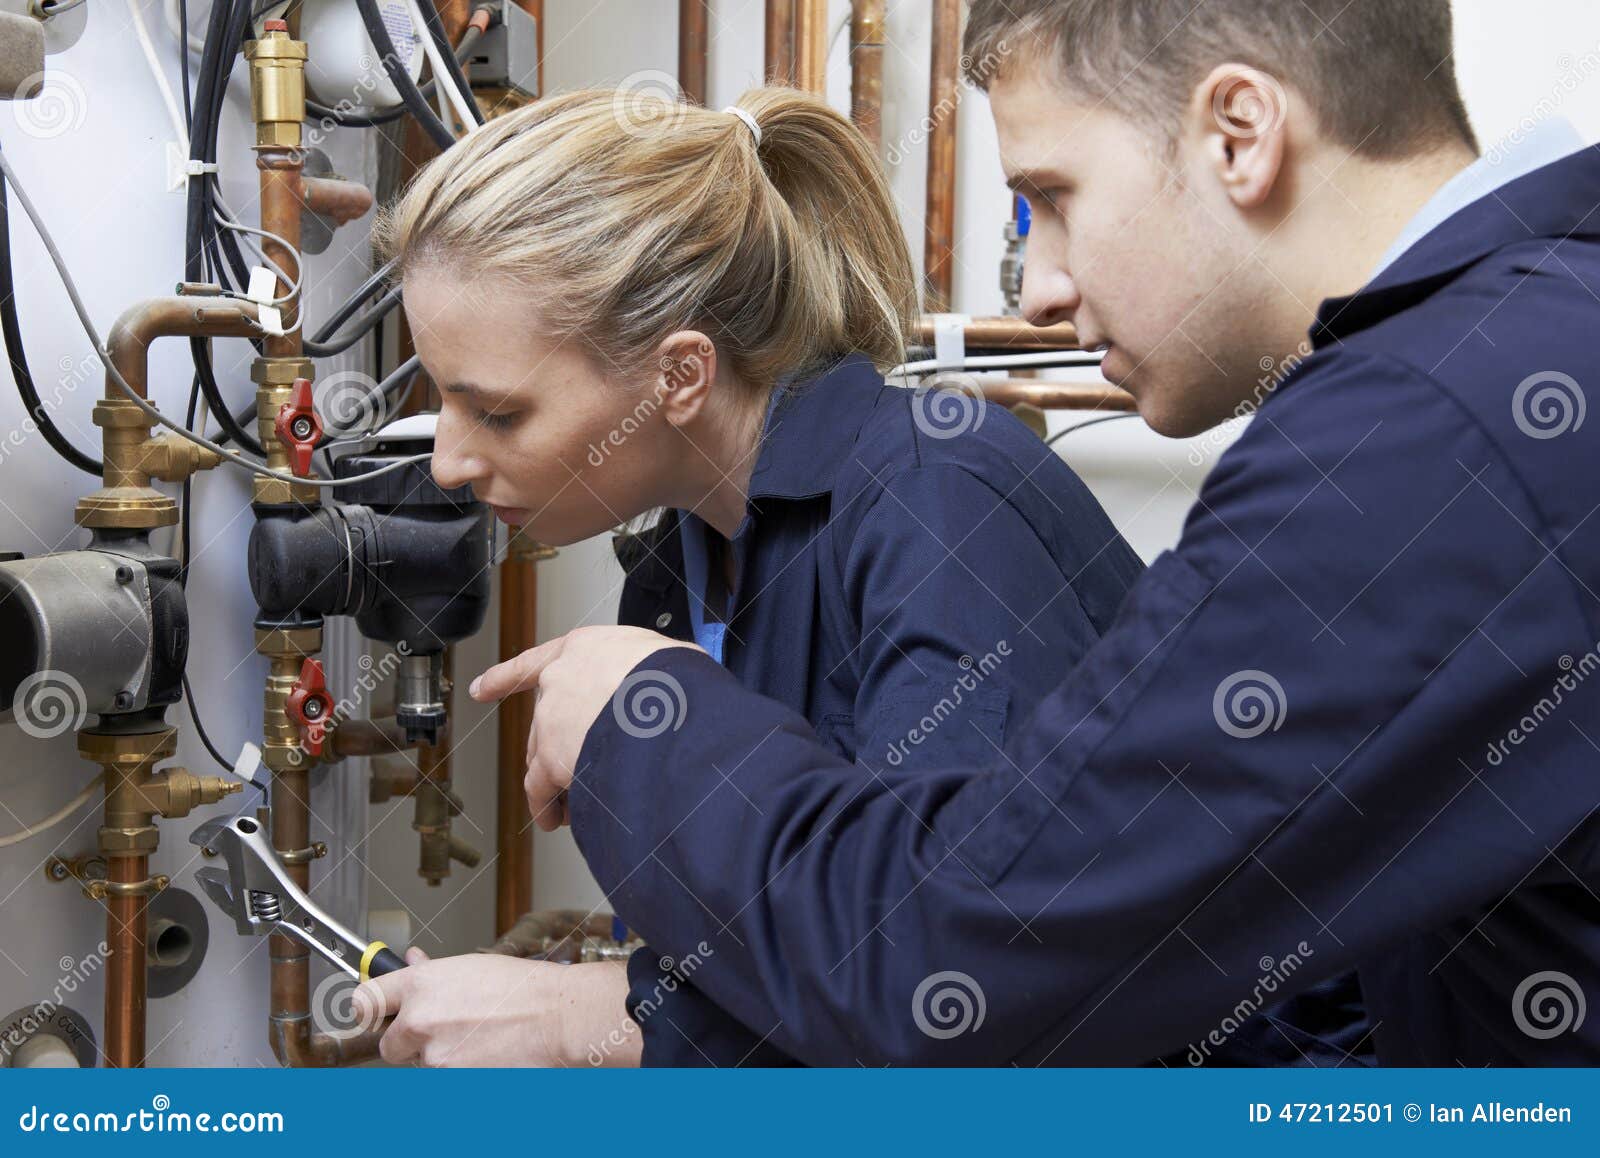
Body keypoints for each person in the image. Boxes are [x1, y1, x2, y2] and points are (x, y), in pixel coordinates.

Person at [475, 0, 1600, 1066]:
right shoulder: (1518, 352)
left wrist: (640, 720)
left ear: (1239, 134)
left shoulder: (1431, 431)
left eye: (1051, 198)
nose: (1042, 289)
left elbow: (953, 966)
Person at [351, 84, 1160, 1066]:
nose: (447, 462)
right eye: (442, 400)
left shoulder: (939, 502)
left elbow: (965, 1006)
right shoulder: (671, 578)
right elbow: (769, 967)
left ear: (680, 375)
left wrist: (586, 1023)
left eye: (500, 412)